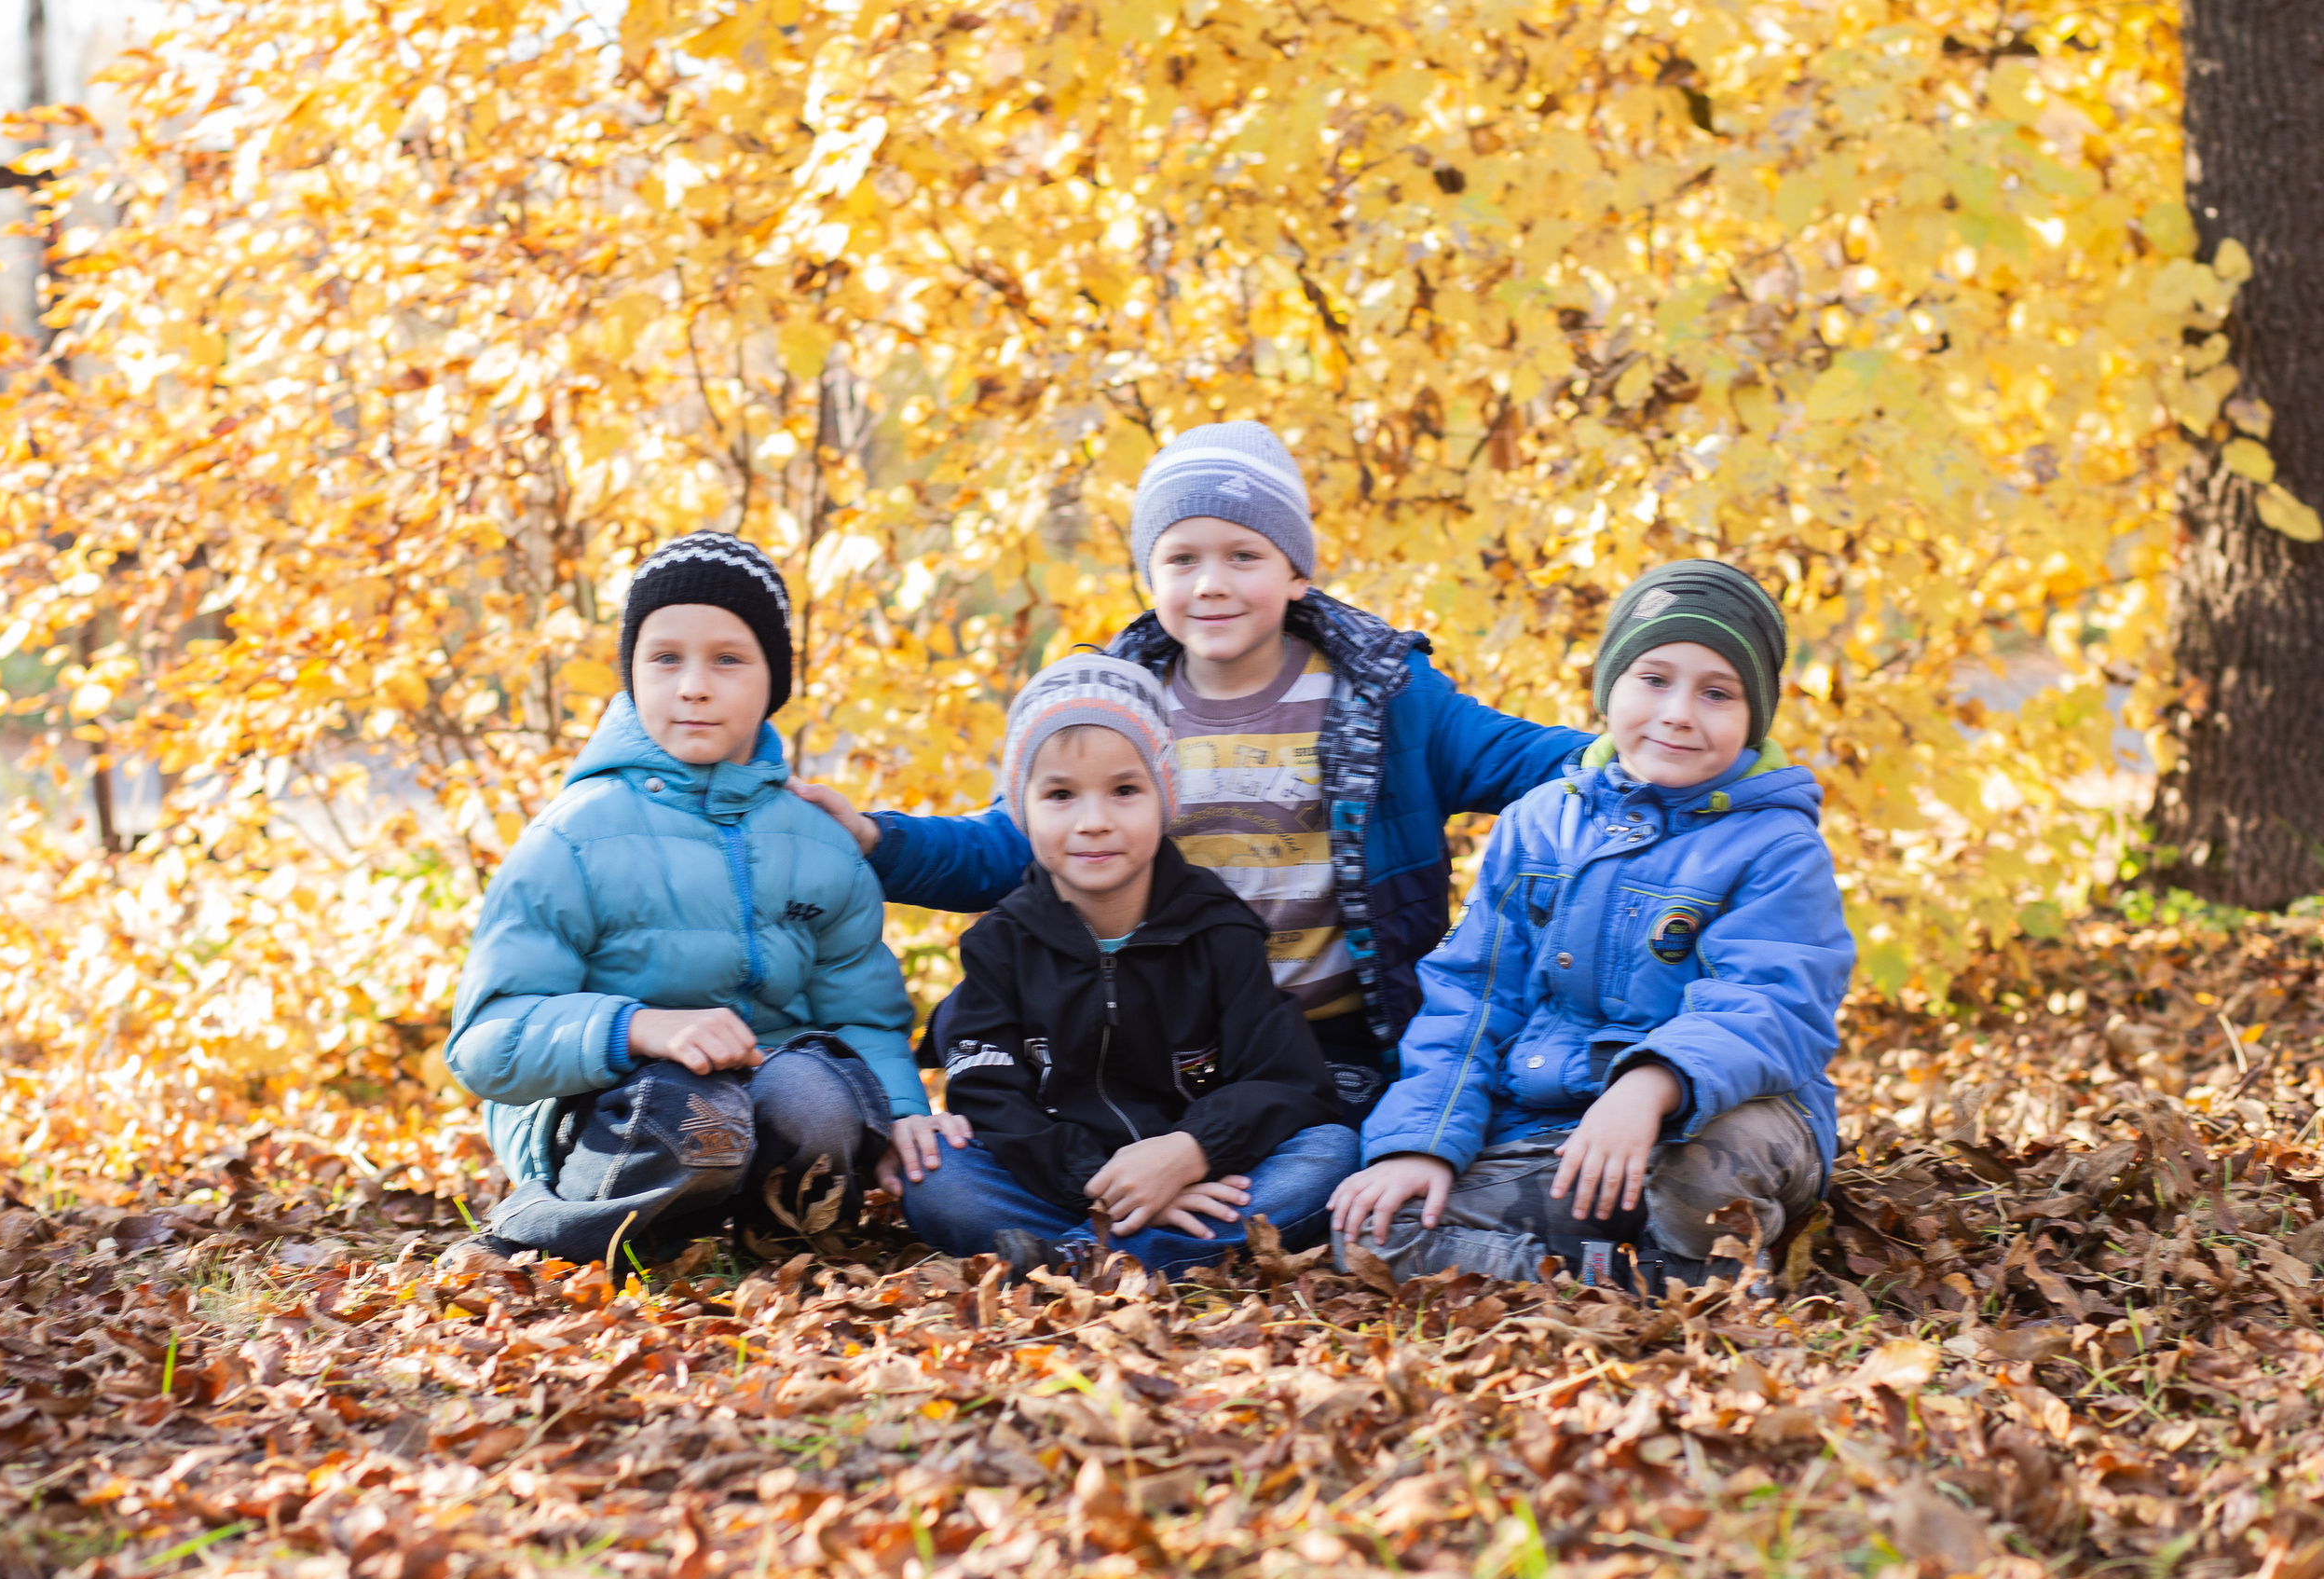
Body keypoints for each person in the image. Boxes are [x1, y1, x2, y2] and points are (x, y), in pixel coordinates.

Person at [794, 421, 1593, 1121]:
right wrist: (876, 840)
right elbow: (1010, 843)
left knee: (1322, 1165)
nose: (1211, 582)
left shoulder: (1386, 699)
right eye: (1182, 558)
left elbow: (1537, 761)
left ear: (1296, 573)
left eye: (1244, 555)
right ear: (1152, 577)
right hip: (1157, 1042)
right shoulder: (1114, 705)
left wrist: (1644, 744)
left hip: (1334, 1041)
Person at [444, 532, 970, 1269]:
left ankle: (775, 1242)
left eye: (728, 659)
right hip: (609, 1105)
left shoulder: (819, 843)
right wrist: (639, 1027)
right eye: (666, 658)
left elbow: (862, 1013)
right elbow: (485, 1041)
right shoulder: (575, 837)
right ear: (631, 673)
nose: (694, 685)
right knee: (690, 1107)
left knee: (816, 1094)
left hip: (760, 1096)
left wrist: (904, 1111)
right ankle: (553, 1232)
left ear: (773, 680)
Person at [1328, 560, 1853, 1291]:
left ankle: (1701, 1269)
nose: (1678, 712)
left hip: (1720, 1121)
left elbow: (1770, 1003)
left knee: (1702, 1175)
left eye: (1717, 692)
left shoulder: (1776, 846)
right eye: (1654, 679)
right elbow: (1473, 998)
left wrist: (1651, 1084)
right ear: (1609, 686)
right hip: (1557, 1137)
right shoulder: (1539, 823)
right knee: (1379, 1230)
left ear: (1753, 715)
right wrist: (1421, 1141)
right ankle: (1633, 1283)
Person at [896, 653, 1358, 1279]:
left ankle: (1081, 1257)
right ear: (1023, 809)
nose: (1094, 822)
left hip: (1199, 1171)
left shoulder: (1218, 929)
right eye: (1060, 794)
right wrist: (1102, 1185)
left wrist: (1190, 1152)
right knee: (938, 1176)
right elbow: (991, 1097)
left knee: (1329, 1152)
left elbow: (1285, 1078)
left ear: (1165, 796)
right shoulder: (999, 943)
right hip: (1058, 1178)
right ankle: (1126, 1246)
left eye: (1124, 790)